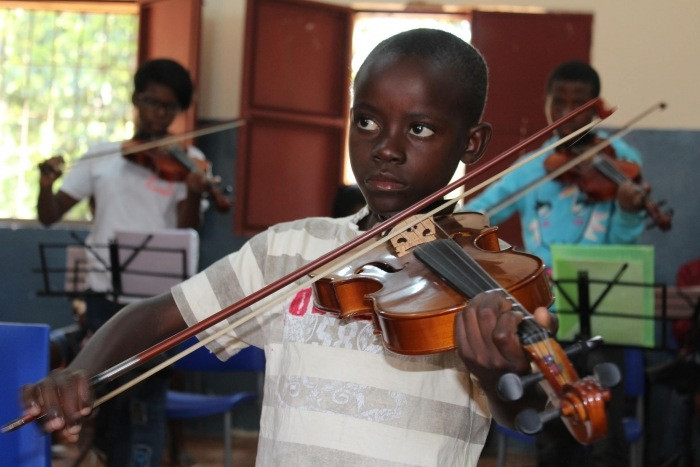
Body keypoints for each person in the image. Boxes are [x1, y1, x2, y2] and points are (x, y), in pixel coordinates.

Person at [22, 29, 556, 466]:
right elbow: (159, 314)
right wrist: (80, 368)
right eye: (367, 121)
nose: (386, 148)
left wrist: (497, 372)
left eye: (419, 128)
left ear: (471, 144)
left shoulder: (487, 280)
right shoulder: (290, 249)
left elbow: (527, 412)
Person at [464, 61, 649, 467]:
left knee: (604, 432)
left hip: (602, 319)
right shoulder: (535, 165)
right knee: (554, 434)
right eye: (558, 103)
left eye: (578, 104)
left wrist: (628, 211)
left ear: (596, 107)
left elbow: (622, 246)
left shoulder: (621, 160)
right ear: (546, 104)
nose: (567, 114)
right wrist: (501, 258)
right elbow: (477, 214)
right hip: (545, 315)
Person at [36, 58, 209, 466]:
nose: (158, 114)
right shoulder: (102, 156)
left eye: (169, 107)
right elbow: (50, 214)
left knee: (145, 399)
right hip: (103, 293)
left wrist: (194, 191)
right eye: (151, 102)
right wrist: (45, 183)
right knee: (103, 398)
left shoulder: (190, 160)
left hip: (158, 303)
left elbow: (189, 227)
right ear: (135, 100)